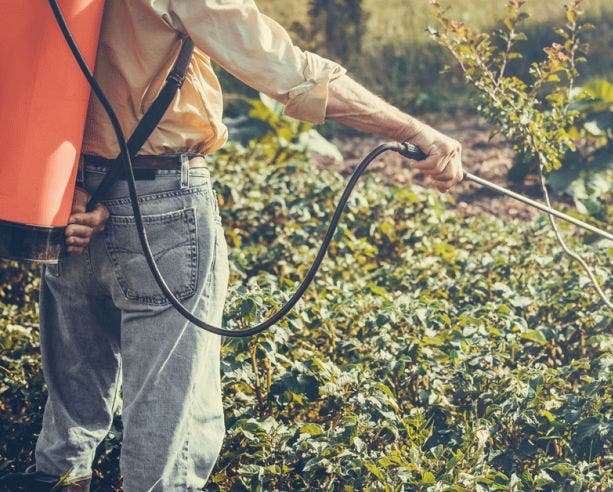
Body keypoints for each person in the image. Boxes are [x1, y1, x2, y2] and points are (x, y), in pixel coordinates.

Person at [0, 1, 463, 491]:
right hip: (159, 203)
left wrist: (58, 189)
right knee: (169, 421)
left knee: (70, 415)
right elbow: (287, 70)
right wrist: (414, 131)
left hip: (62, 200)